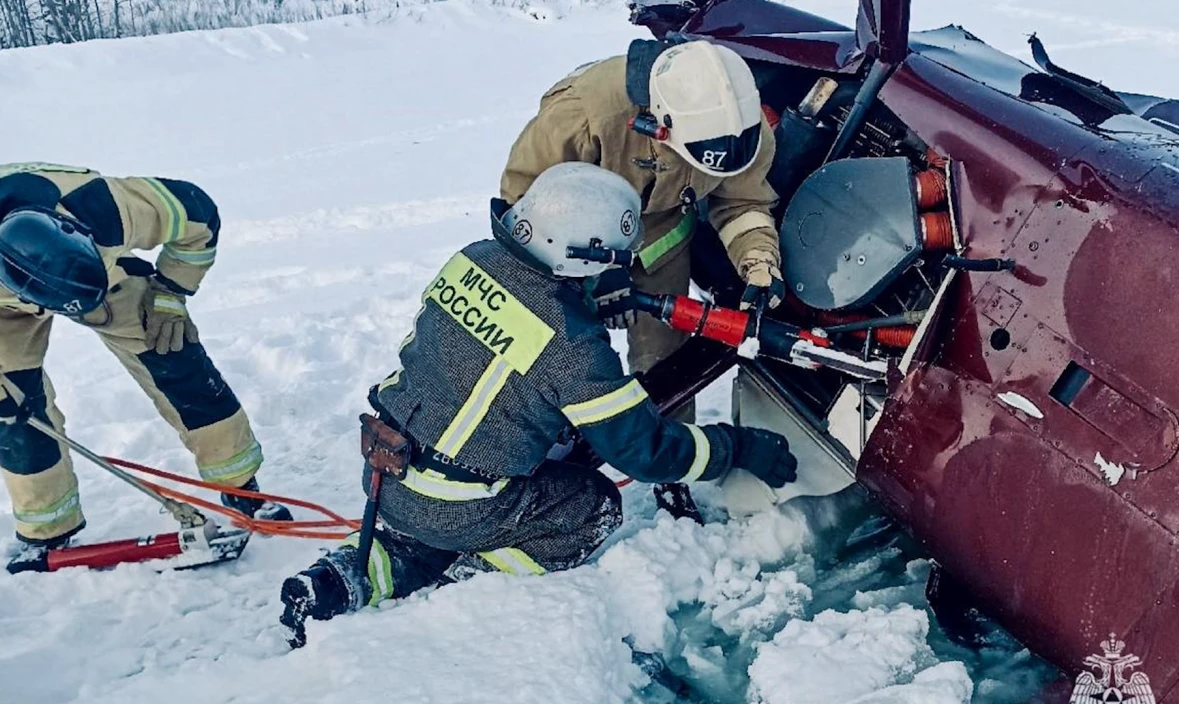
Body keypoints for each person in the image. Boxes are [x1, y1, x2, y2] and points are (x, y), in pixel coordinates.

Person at [278, 163, 797, 648]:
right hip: (457, 502)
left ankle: (343, 579)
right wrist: (738, 447)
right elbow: (647, 452)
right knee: (591, 505)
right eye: (613, 262)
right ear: (582, 261)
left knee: (456, 503)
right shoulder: (573, 347)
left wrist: (583, 295)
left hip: (386, 470)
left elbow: (507, 340)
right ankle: (468, 578)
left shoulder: (473, 259)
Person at [0, 162, 292, 575]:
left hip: (102, 276)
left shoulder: (107, 208)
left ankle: (240, 486)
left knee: (174, 354)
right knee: (11, 408)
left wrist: (170, 293)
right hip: (1, 310)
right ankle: (46, 530)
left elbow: (200, 215)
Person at [500, 40, 785, 421]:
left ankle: (668, 455)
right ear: (659, 127)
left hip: (660, 233)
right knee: (556, 351)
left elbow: (742, 202)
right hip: (566, 237)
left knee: (665, 356)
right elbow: (524, 202)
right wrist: (596, 273)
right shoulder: (584, 113)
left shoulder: (742, 128)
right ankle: (541, 441)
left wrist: (759, 263)